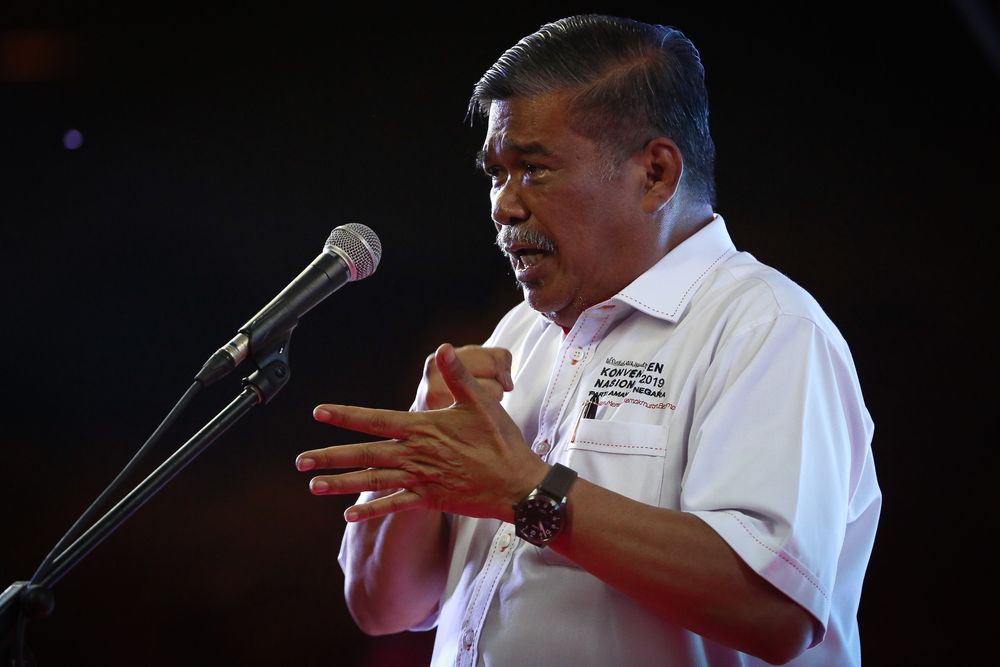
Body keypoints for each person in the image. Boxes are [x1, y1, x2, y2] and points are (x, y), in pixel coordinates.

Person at [295, 14, 881, 667]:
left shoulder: (766, 328)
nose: (503, 205)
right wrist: (425, 445)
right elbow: (382, 608)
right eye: (496, 173)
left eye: (535, 169)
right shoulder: (515, 338)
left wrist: (527, 492)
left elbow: (775, 610)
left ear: (655, 173)